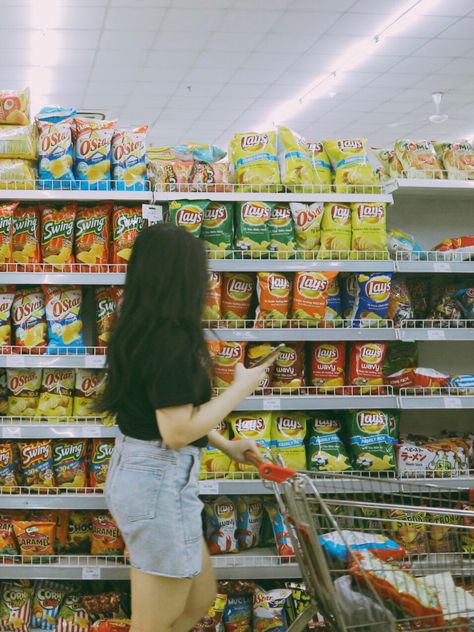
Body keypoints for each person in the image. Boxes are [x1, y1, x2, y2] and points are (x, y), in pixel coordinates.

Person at [100, 223, 279, 632]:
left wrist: (225, 445)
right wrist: (241, 388)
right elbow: (176, 431)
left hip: (154, 473)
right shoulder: (169, 341)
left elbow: (168, 413)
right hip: (157, 481)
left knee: (197, 599)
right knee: (153, 623)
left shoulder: (141, 326)